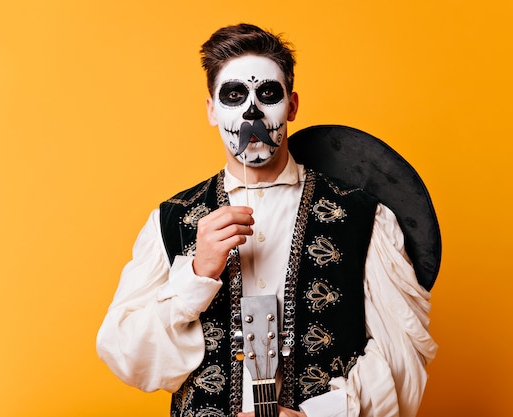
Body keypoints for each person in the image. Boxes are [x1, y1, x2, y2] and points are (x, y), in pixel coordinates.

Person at [97, 23, 437, 417]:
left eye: (268, 94)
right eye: (234, 96)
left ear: (291, 106)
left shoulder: (364, 218)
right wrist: (194, 274)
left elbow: (403, 353)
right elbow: (127, 355)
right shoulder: (171, 220)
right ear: (211, 110)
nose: (252, 111)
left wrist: (321, 415)